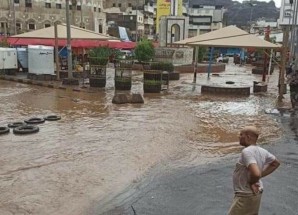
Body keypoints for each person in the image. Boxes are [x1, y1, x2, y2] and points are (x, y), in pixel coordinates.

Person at [228, 126, 280, 215]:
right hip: (256, 193)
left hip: (245, 194)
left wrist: (253, 181)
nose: (239, 137)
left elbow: (255, 174)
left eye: (241, 135)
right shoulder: (263, 151)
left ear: (248, 137)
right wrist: (259, 176)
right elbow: (275, 163)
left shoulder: (247, 152)